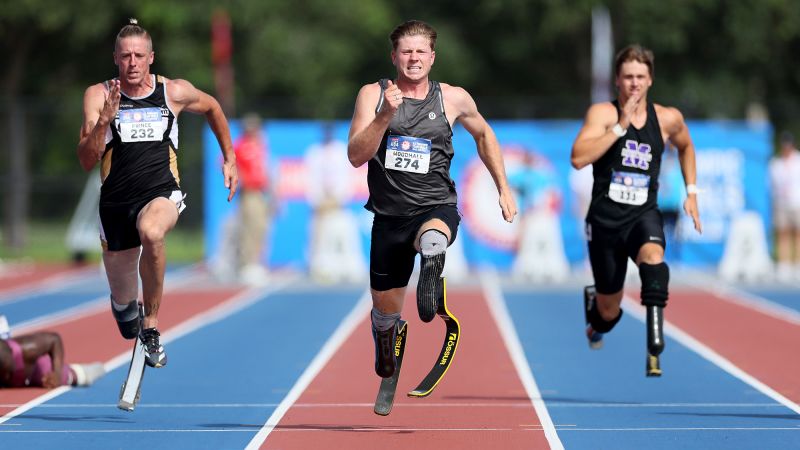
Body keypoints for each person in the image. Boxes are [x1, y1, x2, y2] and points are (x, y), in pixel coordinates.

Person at [347, 20, 517, 380]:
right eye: (406, 51)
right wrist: (384, 117)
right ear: (394, 56)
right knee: (385, 314)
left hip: (434, 205)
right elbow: (356, 155)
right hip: (389, 216)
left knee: (434, 236)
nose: (413, 58)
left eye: (420, 51)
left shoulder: (453, 98)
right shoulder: (373, 95)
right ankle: (385, 340)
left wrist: (502, 185)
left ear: (432, 57)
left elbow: (485, 135)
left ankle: (432, 261)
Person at [76, 19, 238, 369]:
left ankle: (151, 326)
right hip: (115, 205)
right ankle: (131, 315)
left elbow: (212, 107)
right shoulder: (99, 95)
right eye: (125, 56)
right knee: (123, 313)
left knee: (152, 232)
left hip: (161, 192)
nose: (132, 63)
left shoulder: (173, 91)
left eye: (138, 55)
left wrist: (229, 157)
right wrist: (104, 121)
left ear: (151, 58)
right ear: (115, 59)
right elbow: (86, 159)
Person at [570, 44, 702, 376]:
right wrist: (620, 127)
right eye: (628, 77)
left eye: (640, 77)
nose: (634, 83)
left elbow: (686, 147)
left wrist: (692, 192)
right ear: (617, 80)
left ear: (650, 80)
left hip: (644, 213)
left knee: (655, 264)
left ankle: (654, 343)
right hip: (604, 221)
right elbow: (578, 158)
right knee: (609, 311)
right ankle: (596, 317)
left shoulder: (668, 118)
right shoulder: (603, 114)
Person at [305, 122, 365, 282]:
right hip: (321, 206)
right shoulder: (314, 152)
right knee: (320, 239)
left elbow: (346, 178)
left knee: (344, 237)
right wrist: (318, 201)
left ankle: (350, 268)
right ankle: (320, 267)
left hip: (338, 205)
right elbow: (311, 179)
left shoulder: (340, 151)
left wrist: (338, 198)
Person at [233, 113, 272, 286]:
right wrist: (242, 180)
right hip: (248, 192)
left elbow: (265, 169)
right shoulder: (240, 146)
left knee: (261, 227)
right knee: (249, 227)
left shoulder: (260, 145)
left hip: (260, 192)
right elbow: (230, 164)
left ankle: (256, 262)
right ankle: (247, 264)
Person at [1, 330, 105, 389]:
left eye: (7, 372)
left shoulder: (28, 349)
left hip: (37, 370)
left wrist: (57, 373)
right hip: (21, 375)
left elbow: (54, 339)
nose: (6, 376)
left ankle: (91, 370)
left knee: (74, 376)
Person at [768, 131, 800, 281]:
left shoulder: (798, 161)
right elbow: (772, 184)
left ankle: (797, 264)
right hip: (781, 202)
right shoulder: (776, 163)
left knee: (797, 234)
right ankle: (784, 265)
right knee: (782, 233)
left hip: (796, 202)